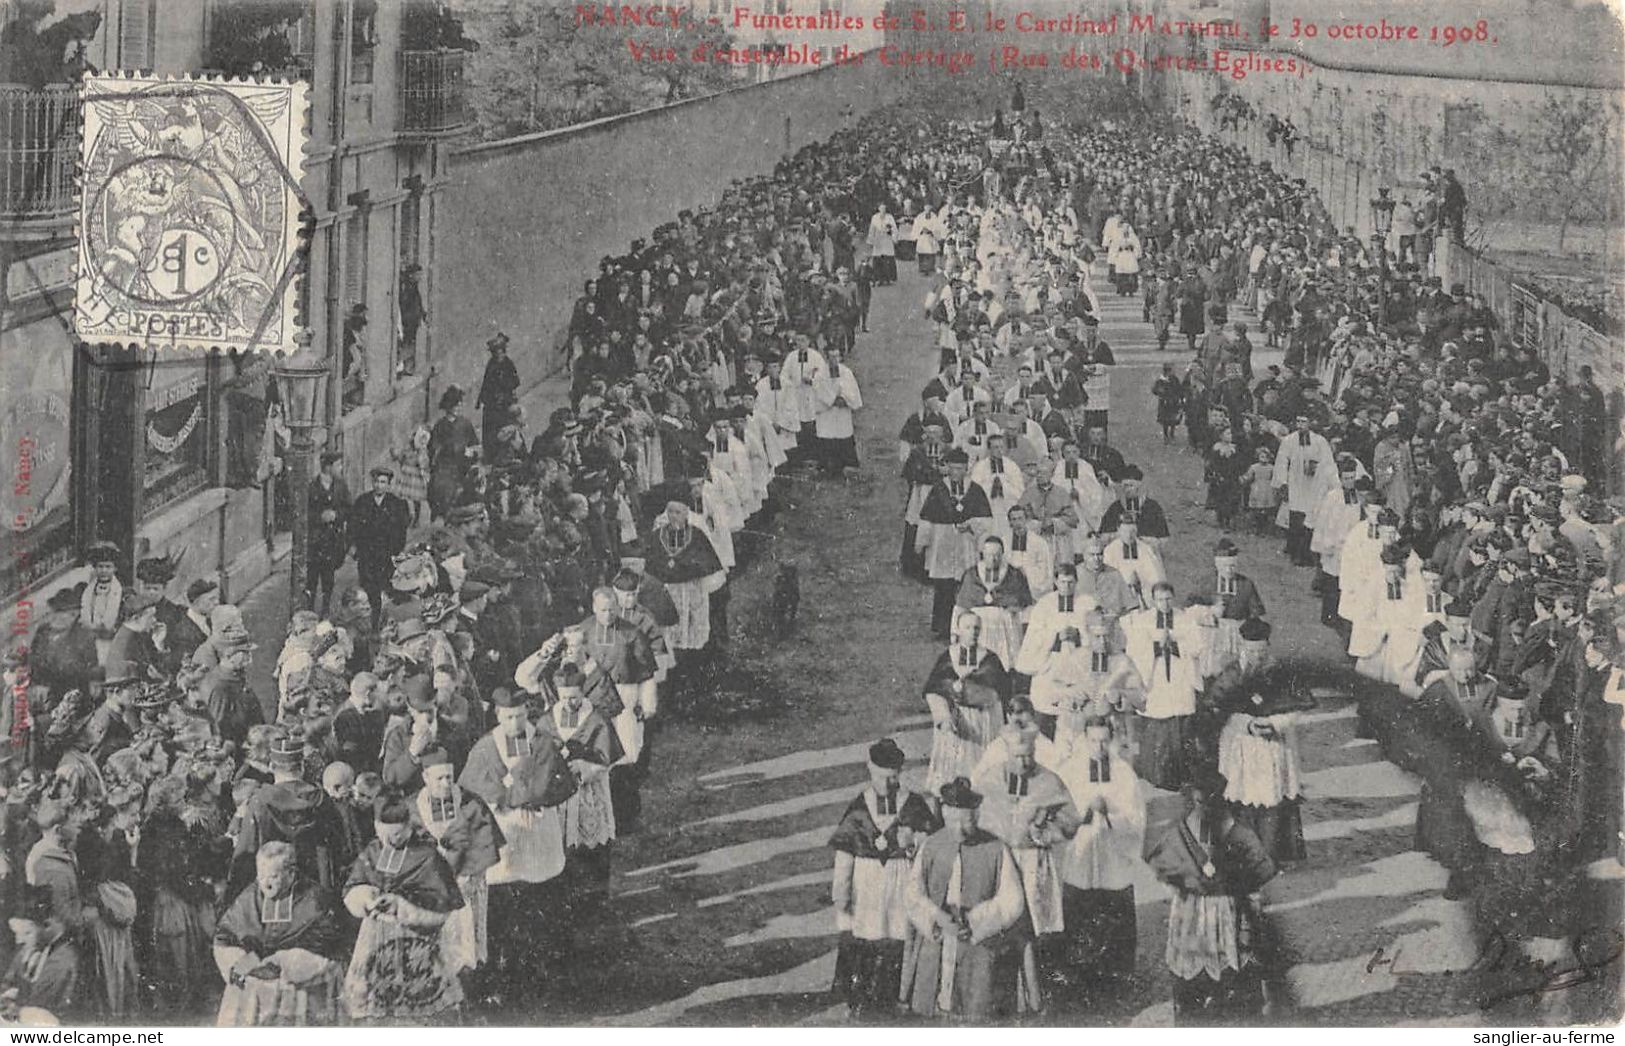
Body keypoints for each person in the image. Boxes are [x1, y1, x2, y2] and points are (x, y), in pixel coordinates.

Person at [458, 687, 577, 996]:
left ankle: (544, 969)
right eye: (509, 717)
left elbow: (564, 784)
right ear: (498, 716)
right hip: (505, 832)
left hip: (539, 830)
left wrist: (539, 801)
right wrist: (504, 802)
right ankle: (505, 971)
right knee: (506, 904)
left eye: (521, 716)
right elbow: (472, 790)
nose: (516, 723)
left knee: (542, 899)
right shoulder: (485, 749)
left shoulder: (543, 742)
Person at [1145, 766, 1278, 1024]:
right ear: (1191, 798)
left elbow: (1260, 871)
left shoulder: (1236, 831)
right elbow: (1165, 869)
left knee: (1233, 984)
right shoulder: (1181, 832)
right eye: (1199, 801)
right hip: (1192, 918)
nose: (1205, 808)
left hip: (1227, 915)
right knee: (1194, 987)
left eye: (1211, 800)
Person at [828, 738, 940, 1020]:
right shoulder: (857, 808)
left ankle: (897, 997)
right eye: (881, 777)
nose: (888, 784)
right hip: (866, 885)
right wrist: (840, 895)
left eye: (893, 778)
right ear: (870, 770)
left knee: (898, 939)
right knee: (866, 939)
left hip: (901, 881)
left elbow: (933, 848)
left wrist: (913, 842)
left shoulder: (913, 805)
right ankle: (861, 1000)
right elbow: (844, 856)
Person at [969, 731, 1080, 1011]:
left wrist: (1044, 831)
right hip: (1000, 864)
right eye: (1018, 756)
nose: (1025, 761)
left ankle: (1037, 997)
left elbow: (1070, 824)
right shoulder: (989, 780)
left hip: (1033, 866)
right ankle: (1003, 996)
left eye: (1030, 755)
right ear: (1006, 753)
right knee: (1002, 929)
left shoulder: (1049, 781)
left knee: (1032, 932)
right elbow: (976, 820)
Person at [902, 777, 1026, 1020]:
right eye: (952, 820)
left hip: (978, 942)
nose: (959, 828)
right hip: (938, 938)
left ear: (977, 817)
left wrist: (976, 922)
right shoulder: (931, 846)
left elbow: (1012, 900)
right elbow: (913, 892)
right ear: (945, 815)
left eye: (966, 821)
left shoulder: (996, 848)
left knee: (977, 1009)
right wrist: (936, 917)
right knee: (936, 1010)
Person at [341, 796, 466, 1021]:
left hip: (415, 936)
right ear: (376, 827)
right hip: (375, 934)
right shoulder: (373, 851)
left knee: (420, 1006)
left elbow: (441, 903)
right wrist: (366, 898)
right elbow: (355, 883)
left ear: (409, 828)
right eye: (385, 833)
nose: (391, 840)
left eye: (398, 834)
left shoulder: (427, 856)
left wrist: (402, 906)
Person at [1053, 715, 1144, 998]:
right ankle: (1081, 980)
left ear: (1112, 739)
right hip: (1080, 856)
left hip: (1112, 860)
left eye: (1105, 740)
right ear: (1084, 739)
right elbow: (1059, 814)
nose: (1099, 747)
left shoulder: (1124, 774)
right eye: (1094, 740)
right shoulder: (1069, 771)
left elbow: (1137, 818)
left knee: (1114, 918)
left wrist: (1111, 813)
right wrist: (1085, 811)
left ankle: (1117, 978)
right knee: (1080, 917)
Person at [213, 841, 344, 1027]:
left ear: (291, 874)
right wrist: (239, 961)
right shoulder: (251, 896)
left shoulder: (314, 898)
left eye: (273, 876)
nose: (265, 882)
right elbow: (226, 935)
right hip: (256, 972)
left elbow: (327, 942)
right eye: (261, 875)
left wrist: (284, 961)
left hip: (297, 978)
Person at [410, 748, 503, 982]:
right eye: (439, 778)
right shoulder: (412, 808)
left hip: (466, 880)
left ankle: (471, 977)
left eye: (449, 778)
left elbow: (484, 842)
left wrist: (467, 874)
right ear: (426, 778)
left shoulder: (470, 803)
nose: (445, 783)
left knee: (466, 935)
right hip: (429, 886)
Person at [923, 613, 1011, 794]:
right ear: (958, 630)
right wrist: (943, 717)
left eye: (977, 628)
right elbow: (934, 689)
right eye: (968, 628)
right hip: (955, 723)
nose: (973, 632)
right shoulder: (948, 657)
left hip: (984, 723)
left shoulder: (991, 659)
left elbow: (1003, 692)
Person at [918, 449, 994, 640]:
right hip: (942, 541)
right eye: (952, 469)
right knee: (943, 586)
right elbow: (926, 518)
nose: (956, 473)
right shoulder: (939, 490)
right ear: (947, 469)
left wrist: (970, 524)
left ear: (966, 469)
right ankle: (943, 627)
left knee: (966, 584)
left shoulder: (975, 490)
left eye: (959, 469)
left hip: (966, 543)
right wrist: (922, 542)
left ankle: (966, 627)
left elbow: (986, 520)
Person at [350, 466, 411, 633]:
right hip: (367, 555)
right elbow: (353, 527)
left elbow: (401, 531)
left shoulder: (396, 504)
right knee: (369, 589)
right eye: (376, 481)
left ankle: (382, 624)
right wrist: (354, 547)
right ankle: (370, 624)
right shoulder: (362, 502)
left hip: (386, 556)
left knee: (385, 590)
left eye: (383, 482)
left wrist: (396, 552)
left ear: (388, 484)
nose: (379, 485)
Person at [307, 451, 351, 616]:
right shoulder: (312, 487)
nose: (341, 468)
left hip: (333, 540)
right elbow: (303, 514)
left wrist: (337, 515)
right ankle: (309, 610)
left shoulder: (341, 486)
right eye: (338, 465)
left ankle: (325, 608)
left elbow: (349, 508)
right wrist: (319, 517)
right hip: (315, 541)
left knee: (328, 577)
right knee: (311, 578)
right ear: (327, 467)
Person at [428, 386, 478, 522]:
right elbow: (433, 448)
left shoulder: (465, 424)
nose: (458, 407)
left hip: (463, 466)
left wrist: (471, 452)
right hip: (445, 466)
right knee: (440, 491)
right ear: (447, 406)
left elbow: (475, 444)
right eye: (454, 405)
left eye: (459, 404)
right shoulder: (440, 425)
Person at [813, 345, 863, 475]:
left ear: (840, 357)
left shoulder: (846, 372)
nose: (834, 360)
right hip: (827, 413)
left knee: (842, 436)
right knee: (827, 437)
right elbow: (818, 392)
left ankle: (843, 465)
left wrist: (845, 399)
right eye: (831, 357)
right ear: (827, 357)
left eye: (836, 356)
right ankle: (826, 466)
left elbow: (852, 391)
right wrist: (831, 400)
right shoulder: (820, 375)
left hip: (842, 412)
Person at [476, 334, 520, 462]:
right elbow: (486, 382)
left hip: (504, 404)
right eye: (496, 353)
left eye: (500, 352)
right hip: (491, 404)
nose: (498, 355)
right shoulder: (491, 364)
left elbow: (515, 381)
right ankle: (489, 454)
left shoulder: (508, 364)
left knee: (504, 430)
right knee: (490, 429)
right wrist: (481, 399)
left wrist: (504, 390)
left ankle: (505, 455)